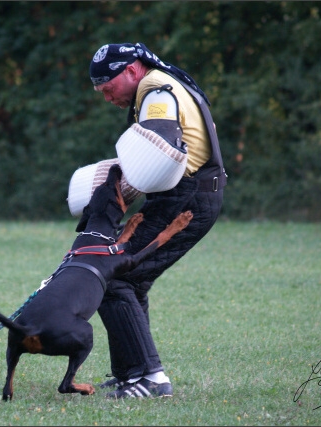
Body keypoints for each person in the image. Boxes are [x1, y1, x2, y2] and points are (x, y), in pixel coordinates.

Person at [88, 42, 226, 399]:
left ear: (131, 71)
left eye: (108, 88)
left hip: (187, 198)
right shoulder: (159, 84)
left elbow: (160, 148)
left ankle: (151, 379)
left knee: (116, 276)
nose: (107, 98)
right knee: (130, 280)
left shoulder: (155, 89)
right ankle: (130, 375)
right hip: (187, 194)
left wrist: (118, 185)